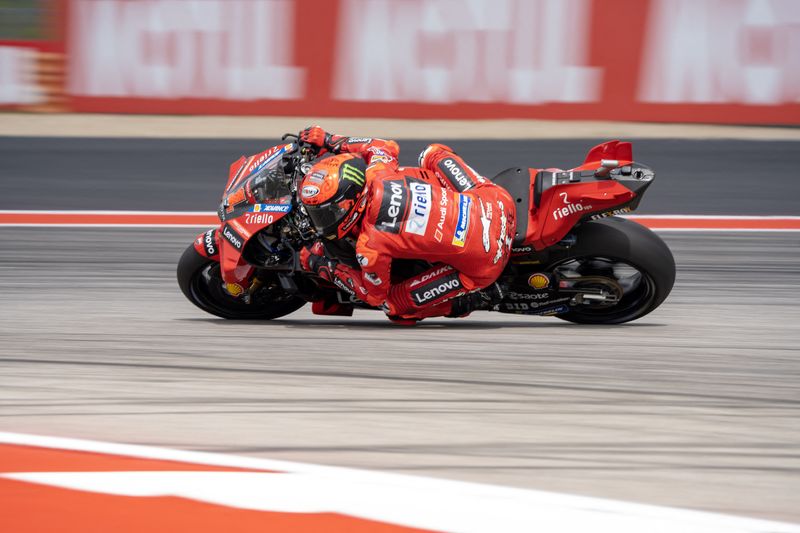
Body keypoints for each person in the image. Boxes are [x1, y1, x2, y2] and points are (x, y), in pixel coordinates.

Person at [297, 126, 515, 323]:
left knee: (393, 306)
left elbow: (373, 295)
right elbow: (382, 146)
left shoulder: (370, 244)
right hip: (496, 202)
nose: (320, 222)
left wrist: (321, 264)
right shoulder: (378, 173)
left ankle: (473, 300)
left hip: (487, 262)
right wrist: (330, 139)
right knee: (431, 153)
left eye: (325, 214)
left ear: (353, 202)